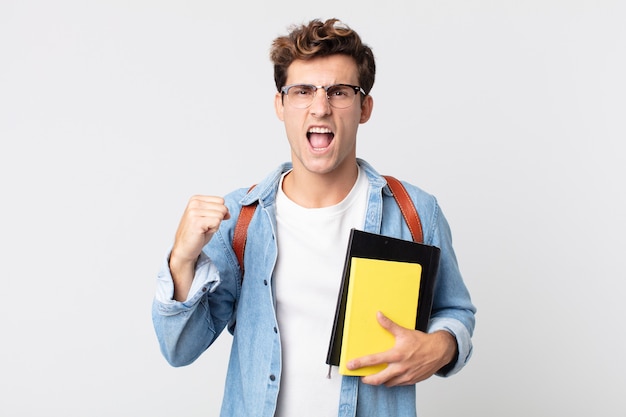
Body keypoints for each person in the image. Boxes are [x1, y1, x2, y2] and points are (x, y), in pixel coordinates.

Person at [152, 18, 476, 417]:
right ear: (281, 105)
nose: (320, 107)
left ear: (364, 107)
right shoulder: (239, 221)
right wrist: (182, 260)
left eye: (339, 92)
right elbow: (179, 349)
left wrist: (441, 346)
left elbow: (456, 312)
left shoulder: (413, 212)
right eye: (302, 91)